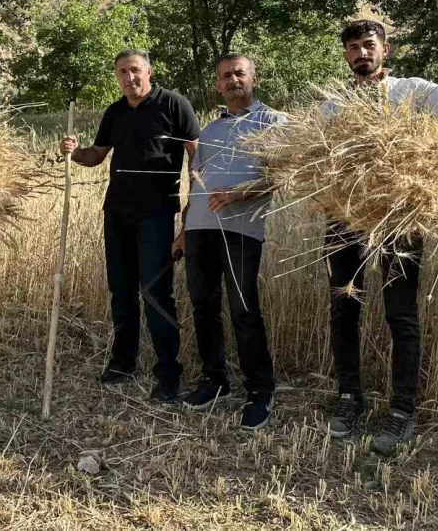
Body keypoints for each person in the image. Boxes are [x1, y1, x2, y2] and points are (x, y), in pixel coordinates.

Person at [324, 20, 438, 455]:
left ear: (385, 49)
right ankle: (348, 399)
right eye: (353, 48)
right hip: (343, 218)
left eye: (369, 45)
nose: (362, 53)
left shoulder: (414, 91)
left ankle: (402, 411)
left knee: (401, 314)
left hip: (400, 218)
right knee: (344, 308)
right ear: (346, 56)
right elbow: (315, 157)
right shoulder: (334, 106)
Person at [59, 49, 199, 401]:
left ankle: (168, 372)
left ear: (149, 71)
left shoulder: (174, 104)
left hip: (157, 214)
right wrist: (75, 151)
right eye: (122, 72)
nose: (129, 77)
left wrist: (191, 216)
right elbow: (96, 156)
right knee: (121, 290)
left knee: (155, 292)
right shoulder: (115, 111)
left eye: (135, 70)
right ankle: (123, 361)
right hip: (117, 212)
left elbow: (198, 160)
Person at [180, 54, 282, 430]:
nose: (233, 80)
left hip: (242, 231)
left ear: (253, 78)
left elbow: (280, 179)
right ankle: (214, 379)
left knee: (243, 310)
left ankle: (260, 390)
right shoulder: (209, 131)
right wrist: (183, 229)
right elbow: (196, 182)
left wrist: (240, 193)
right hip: (199, 229)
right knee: (203, 305)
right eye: (226, 76)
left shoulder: (273, 122)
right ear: (218, 85)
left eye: (240, 73)